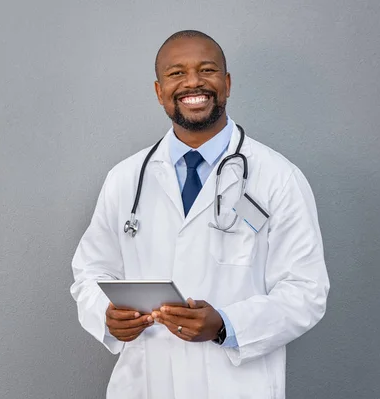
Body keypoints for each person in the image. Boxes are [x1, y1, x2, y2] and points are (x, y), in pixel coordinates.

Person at [70, 30, 330, 399]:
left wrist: (226, 325)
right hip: (145, 383)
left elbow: (306, 291)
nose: (193, 82)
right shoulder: (126, 178)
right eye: (176, 73)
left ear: (226, 84)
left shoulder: (278, 177)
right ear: (159, 92)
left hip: (236, 385)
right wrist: (107, 316)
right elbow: (90, 271)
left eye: (206, 70)